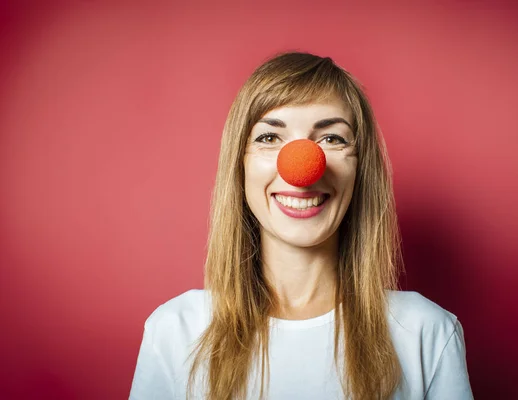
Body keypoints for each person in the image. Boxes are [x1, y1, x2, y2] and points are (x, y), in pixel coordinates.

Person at [129, 52, 473, 400]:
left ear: (360, 170)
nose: (303, 166)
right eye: (269, 137)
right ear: (240, 165)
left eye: (332, 139)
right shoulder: (175, 331)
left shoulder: (425, 332)